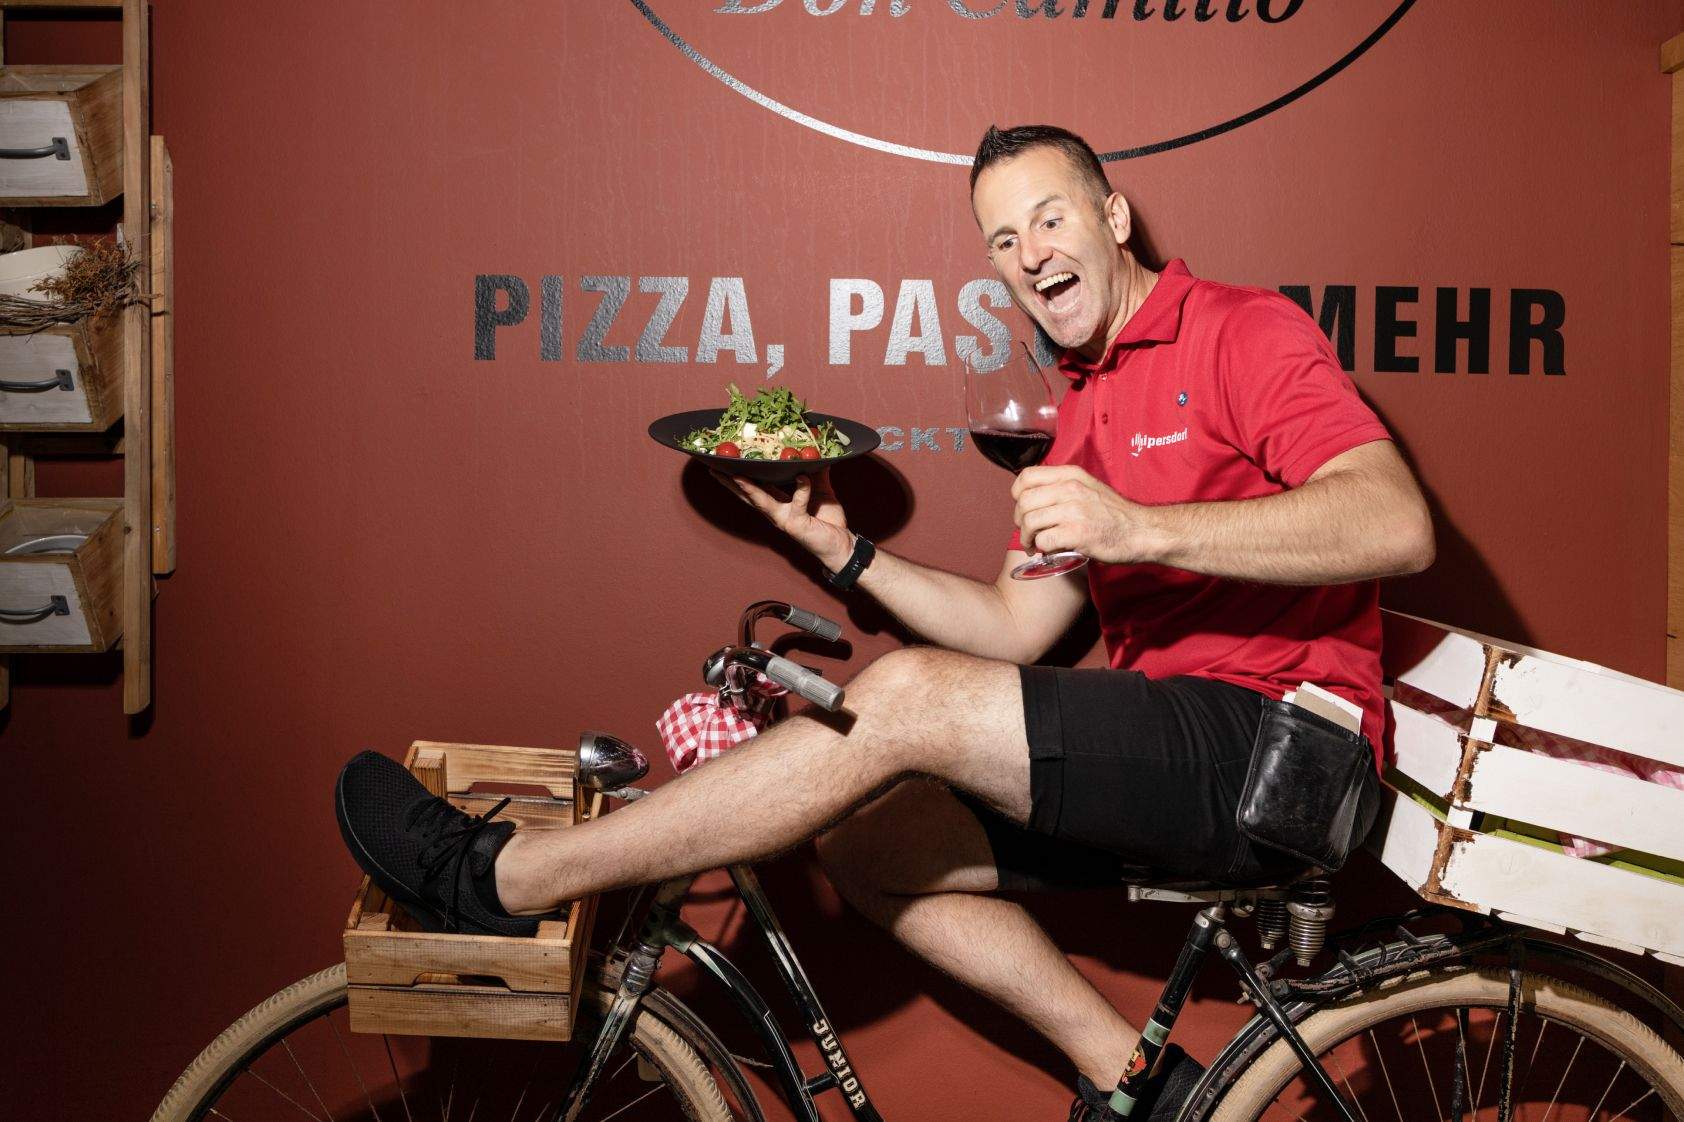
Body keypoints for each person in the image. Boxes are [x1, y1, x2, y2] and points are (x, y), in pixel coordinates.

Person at [334, 124, 1434, 1121]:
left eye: (1050, 218)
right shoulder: (1083, 402)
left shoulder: (1240, 330)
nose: (1031, 254)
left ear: (1112, 217)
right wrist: (843, 554)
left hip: (1288, 751)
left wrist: (1139, 526)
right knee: (869, 844)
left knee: (902, 695)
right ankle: (1141, 1084)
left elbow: (1395, 521)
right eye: (1003, 240)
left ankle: (512, 876)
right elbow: (1012, 624)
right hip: (1181, 742)